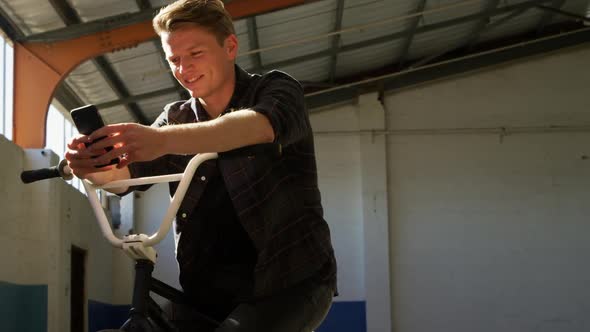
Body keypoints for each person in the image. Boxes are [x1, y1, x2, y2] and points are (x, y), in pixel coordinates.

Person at [65, 0, 337, 331]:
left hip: (289, 280)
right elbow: (125, 180)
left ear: (230, 46)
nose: (184, 69)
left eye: (195, 54)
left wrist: (162, 140)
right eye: (174, 60)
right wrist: (91, 167)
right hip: (205, 291)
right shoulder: (175, 117)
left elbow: (258, 126)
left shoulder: (276, 89)